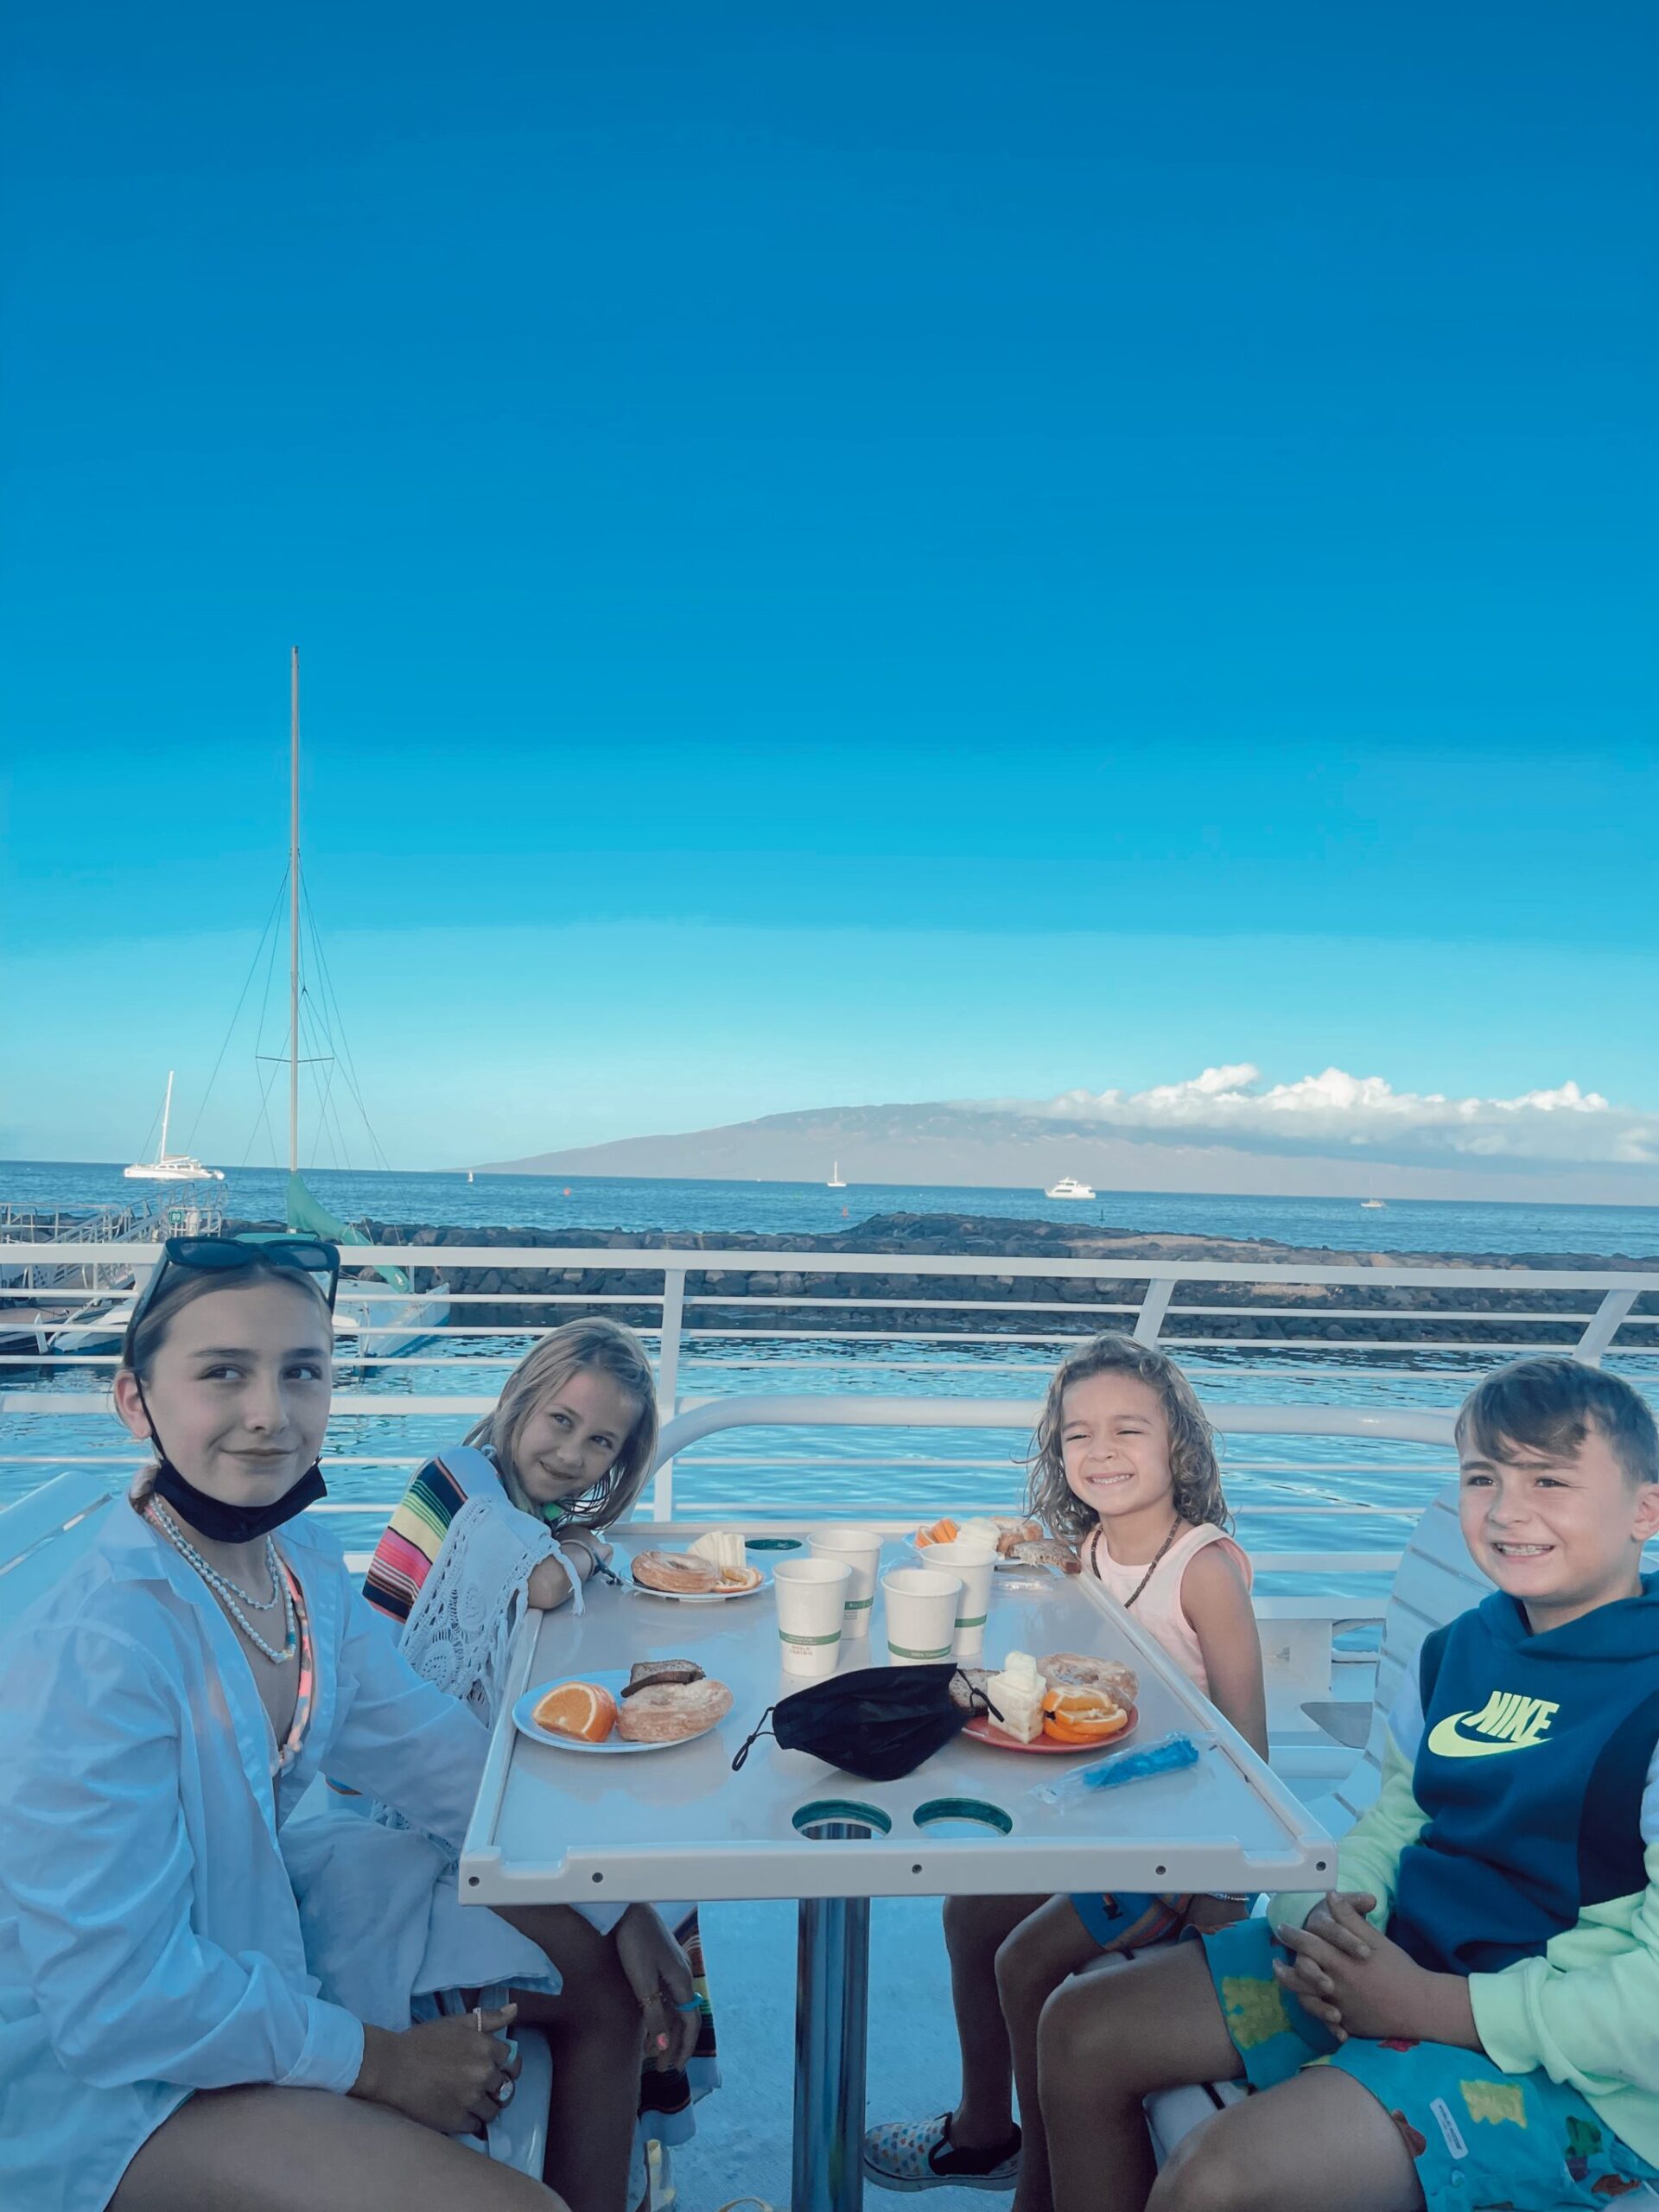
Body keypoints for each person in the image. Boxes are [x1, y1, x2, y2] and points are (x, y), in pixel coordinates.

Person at [0, 1236, 678, 2212]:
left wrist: (623, 1903)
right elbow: (115, 2003)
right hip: (109, 2085)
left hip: (246, 1950)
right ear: (134, 1399)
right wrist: (381, 2064)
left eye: (303, 1371)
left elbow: (443, 1759)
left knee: (597, 1977)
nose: (270, 1413)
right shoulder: (103, 1648)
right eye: (223, 1372)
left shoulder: (297, 1569)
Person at [1033, 1354, 1659, 2212]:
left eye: (1551, 1479)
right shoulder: (1459, 1649)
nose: (1511, 1509)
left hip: (1570, 2072)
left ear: (1645, 1510)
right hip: (1399, 1965)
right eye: (1484, 1477)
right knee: (1080, 2027)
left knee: (1217, 2178)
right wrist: (1330, 1919)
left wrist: (1429, 2004)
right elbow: (1390, 1811)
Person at [866, 1334, 1267, 2204]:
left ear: (1180, 1446)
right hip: (1108, 1826)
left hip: (1177, 1857)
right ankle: (984, 2131)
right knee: (970, 1913)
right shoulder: (1087, 1552)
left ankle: (1038, 2191)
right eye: (1079, 1434)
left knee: (1022, 1962)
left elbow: (1250, 1752)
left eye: (1129, 1428)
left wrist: (1217, 1890)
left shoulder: (1202, 1570)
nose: (1102, 1450)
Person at [359, 1318, 720, 2177]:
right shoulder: (454, 1479)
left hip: (451, 1791)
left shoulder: (535, 1510)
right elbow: (548, 1580)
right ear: (520, 1401)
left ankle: (622, 2140)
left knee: (656, 1857)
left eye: (601, 1441)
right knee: (613, 1969)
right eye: (561, 1421)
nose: (573, 1453)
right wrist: (589, 1544)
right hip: (390, 1823)